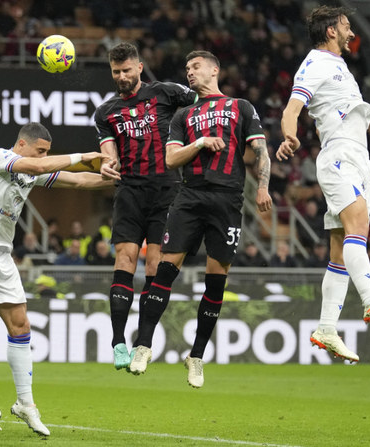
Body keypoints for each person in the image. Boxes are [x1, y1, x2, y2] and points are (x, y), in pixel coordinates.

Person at [0, 122, 112, 436]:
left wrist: (115, 179)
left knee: (21, 325)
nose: (45, 156)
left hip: (0, 253)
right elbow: (41, 164)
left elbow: (78, 180)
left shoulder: (32, 171)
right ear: (21, 145)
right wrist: (84, 154)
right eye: (41, 150)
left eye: (47, 152)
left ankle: (25, 403)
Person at [276, 5, 370, 363]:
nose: (352, 33)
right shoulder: (315, 63)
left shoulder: (339, 65)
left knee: (338, 251)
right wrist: (289, 136)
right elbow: (291, 109)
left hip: (356, 158)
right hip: (339, 158)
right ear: (331, 30)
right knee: (358, 226)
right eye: (347, 27)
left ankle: (327, 328)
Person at [139, 50, 272, 384]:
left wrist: (263, 187)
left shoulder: (241, 107)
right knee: (165, 270)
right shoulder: (183, 115)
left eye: (195, 66)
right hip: (190, 195)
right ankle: (143, 344)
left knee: (216, 280)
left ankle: (196, 356)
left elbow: (260, 151)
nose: (189, 72)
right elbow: (171, 160)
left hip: (227, 199)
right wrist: (199, 142)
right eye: (186, 68)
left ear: (215, 70)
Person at [95, 42, 198, 371]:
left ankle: (145, 341)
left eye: (127, 70)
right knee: (124, 258)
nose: (122, 76)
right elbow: (109, 150)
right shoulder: (106, 112)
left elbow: (201, 103)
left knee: (155, 265)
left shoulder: (166, 94)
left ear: (140, 67)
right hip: (129, 192)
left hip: (166, 190)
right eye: (116, 72)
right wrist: (107, 164)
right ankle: (118, 342)